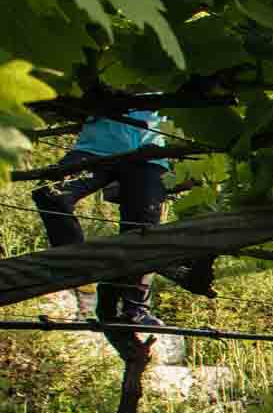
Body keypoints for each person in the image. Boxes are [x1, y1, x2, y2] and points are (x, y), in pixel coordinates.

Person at [31, 110, 212, 342]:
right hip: (96, 147)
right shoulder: (103, 76)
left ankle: (134, 308)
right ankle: (74, 260)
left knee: (143, 230)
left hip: (149, 156)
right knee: (50, 193)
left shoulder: (166, 80)